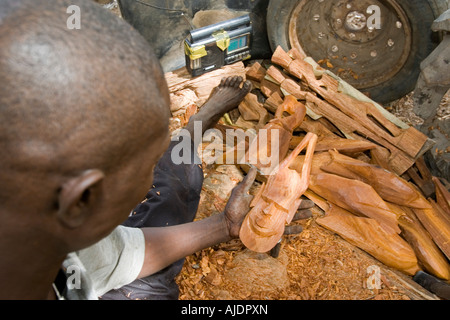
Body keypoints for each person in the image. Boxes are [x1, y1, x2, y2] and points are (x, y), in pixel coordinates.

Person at [0, 0, 313, 300]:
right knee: (151, 283)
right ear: (82, 199)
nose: (154, 165)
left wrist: (225, 226)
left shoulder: (42, 229)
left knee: (174, 181)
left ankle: (198, 124)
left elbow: (112, 255)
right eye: (148, 163)